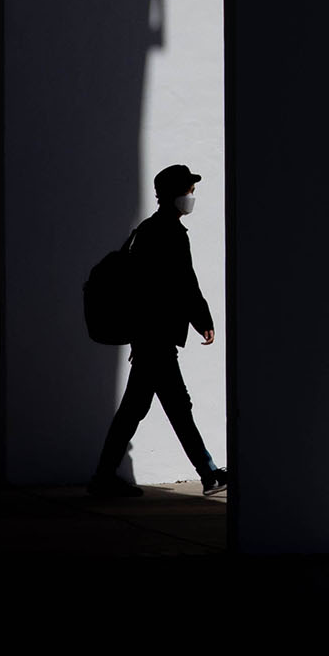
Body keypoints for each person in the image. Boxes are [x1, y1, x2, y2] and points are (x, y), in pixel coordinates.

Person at [86, 164, 229, 499]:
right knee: (175, 407)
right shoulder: (169, 233)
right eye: (189, 190)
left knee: (140, 409)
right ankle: (208, 474)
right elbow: (182, 283)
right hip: (158, 336)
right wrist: (203, 319)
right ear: (175, 193)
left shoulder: (146, 230)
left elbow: (147, 286)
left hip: (149, 335)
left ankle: (104, 477)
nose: (191, 197)